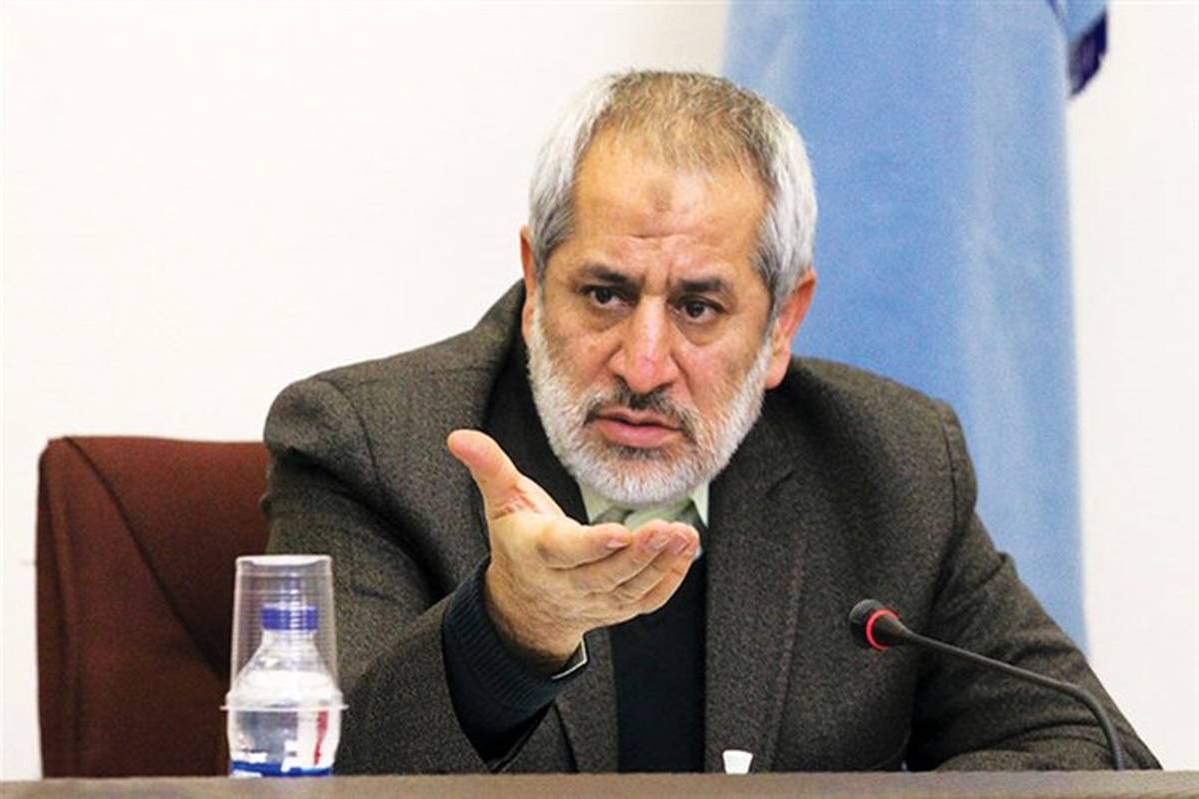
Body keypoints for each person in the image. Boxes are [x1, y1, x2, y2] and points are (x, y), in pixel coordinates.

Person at [263, 71, 1157, 773]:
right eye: (605, 294)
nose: (643, 365)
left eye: (698, 308)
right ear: (536, 280)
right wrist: (512, 629)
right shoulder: (370, 445)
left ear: (782, 324)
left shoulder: (893, 464)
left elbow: (1089, 751)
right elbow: (320, 774)